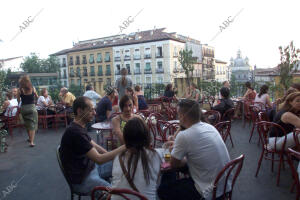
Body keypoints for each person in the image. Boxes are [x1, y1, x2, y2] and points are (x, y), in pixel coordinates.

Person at [157, 99, 231, 200]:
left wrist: (171, 152)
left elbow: (173, 164)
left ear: (183, 116)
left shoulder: (184, 135)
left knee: (163, 189)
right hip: (224, 185)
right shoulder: (209, 127)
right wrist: (178, 149)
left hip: (208, 191)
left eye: (178, 115)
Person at [60, 96, 125, 195]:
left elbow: (93, 144)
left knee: (121, 164)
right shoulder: (75, 132)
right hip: (82, 180)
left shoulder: (77, 126)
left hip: (89, 168)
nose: (95, 113)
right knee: (116, 194)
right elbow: (99, 159)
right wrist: (126, 146)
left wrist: (111, 156)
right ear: (80, 111)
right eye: (91, 110)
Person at [111, 117, 162, 200]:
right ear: (147, 136)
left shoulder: (118, 157)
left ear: (126, 137)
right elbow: (157, 184)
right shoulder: (155, 156)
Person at [17, 75, 38, 147]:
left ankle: (29, 138)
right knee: (33, 124)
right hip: (32, 107)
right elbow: (37, 97)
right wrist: (34, 101)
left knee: (27, 124)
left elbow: (18, 100)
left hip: (24, 108)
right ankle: (32, 142)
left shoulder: (19, 90)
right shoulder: (33, 88)